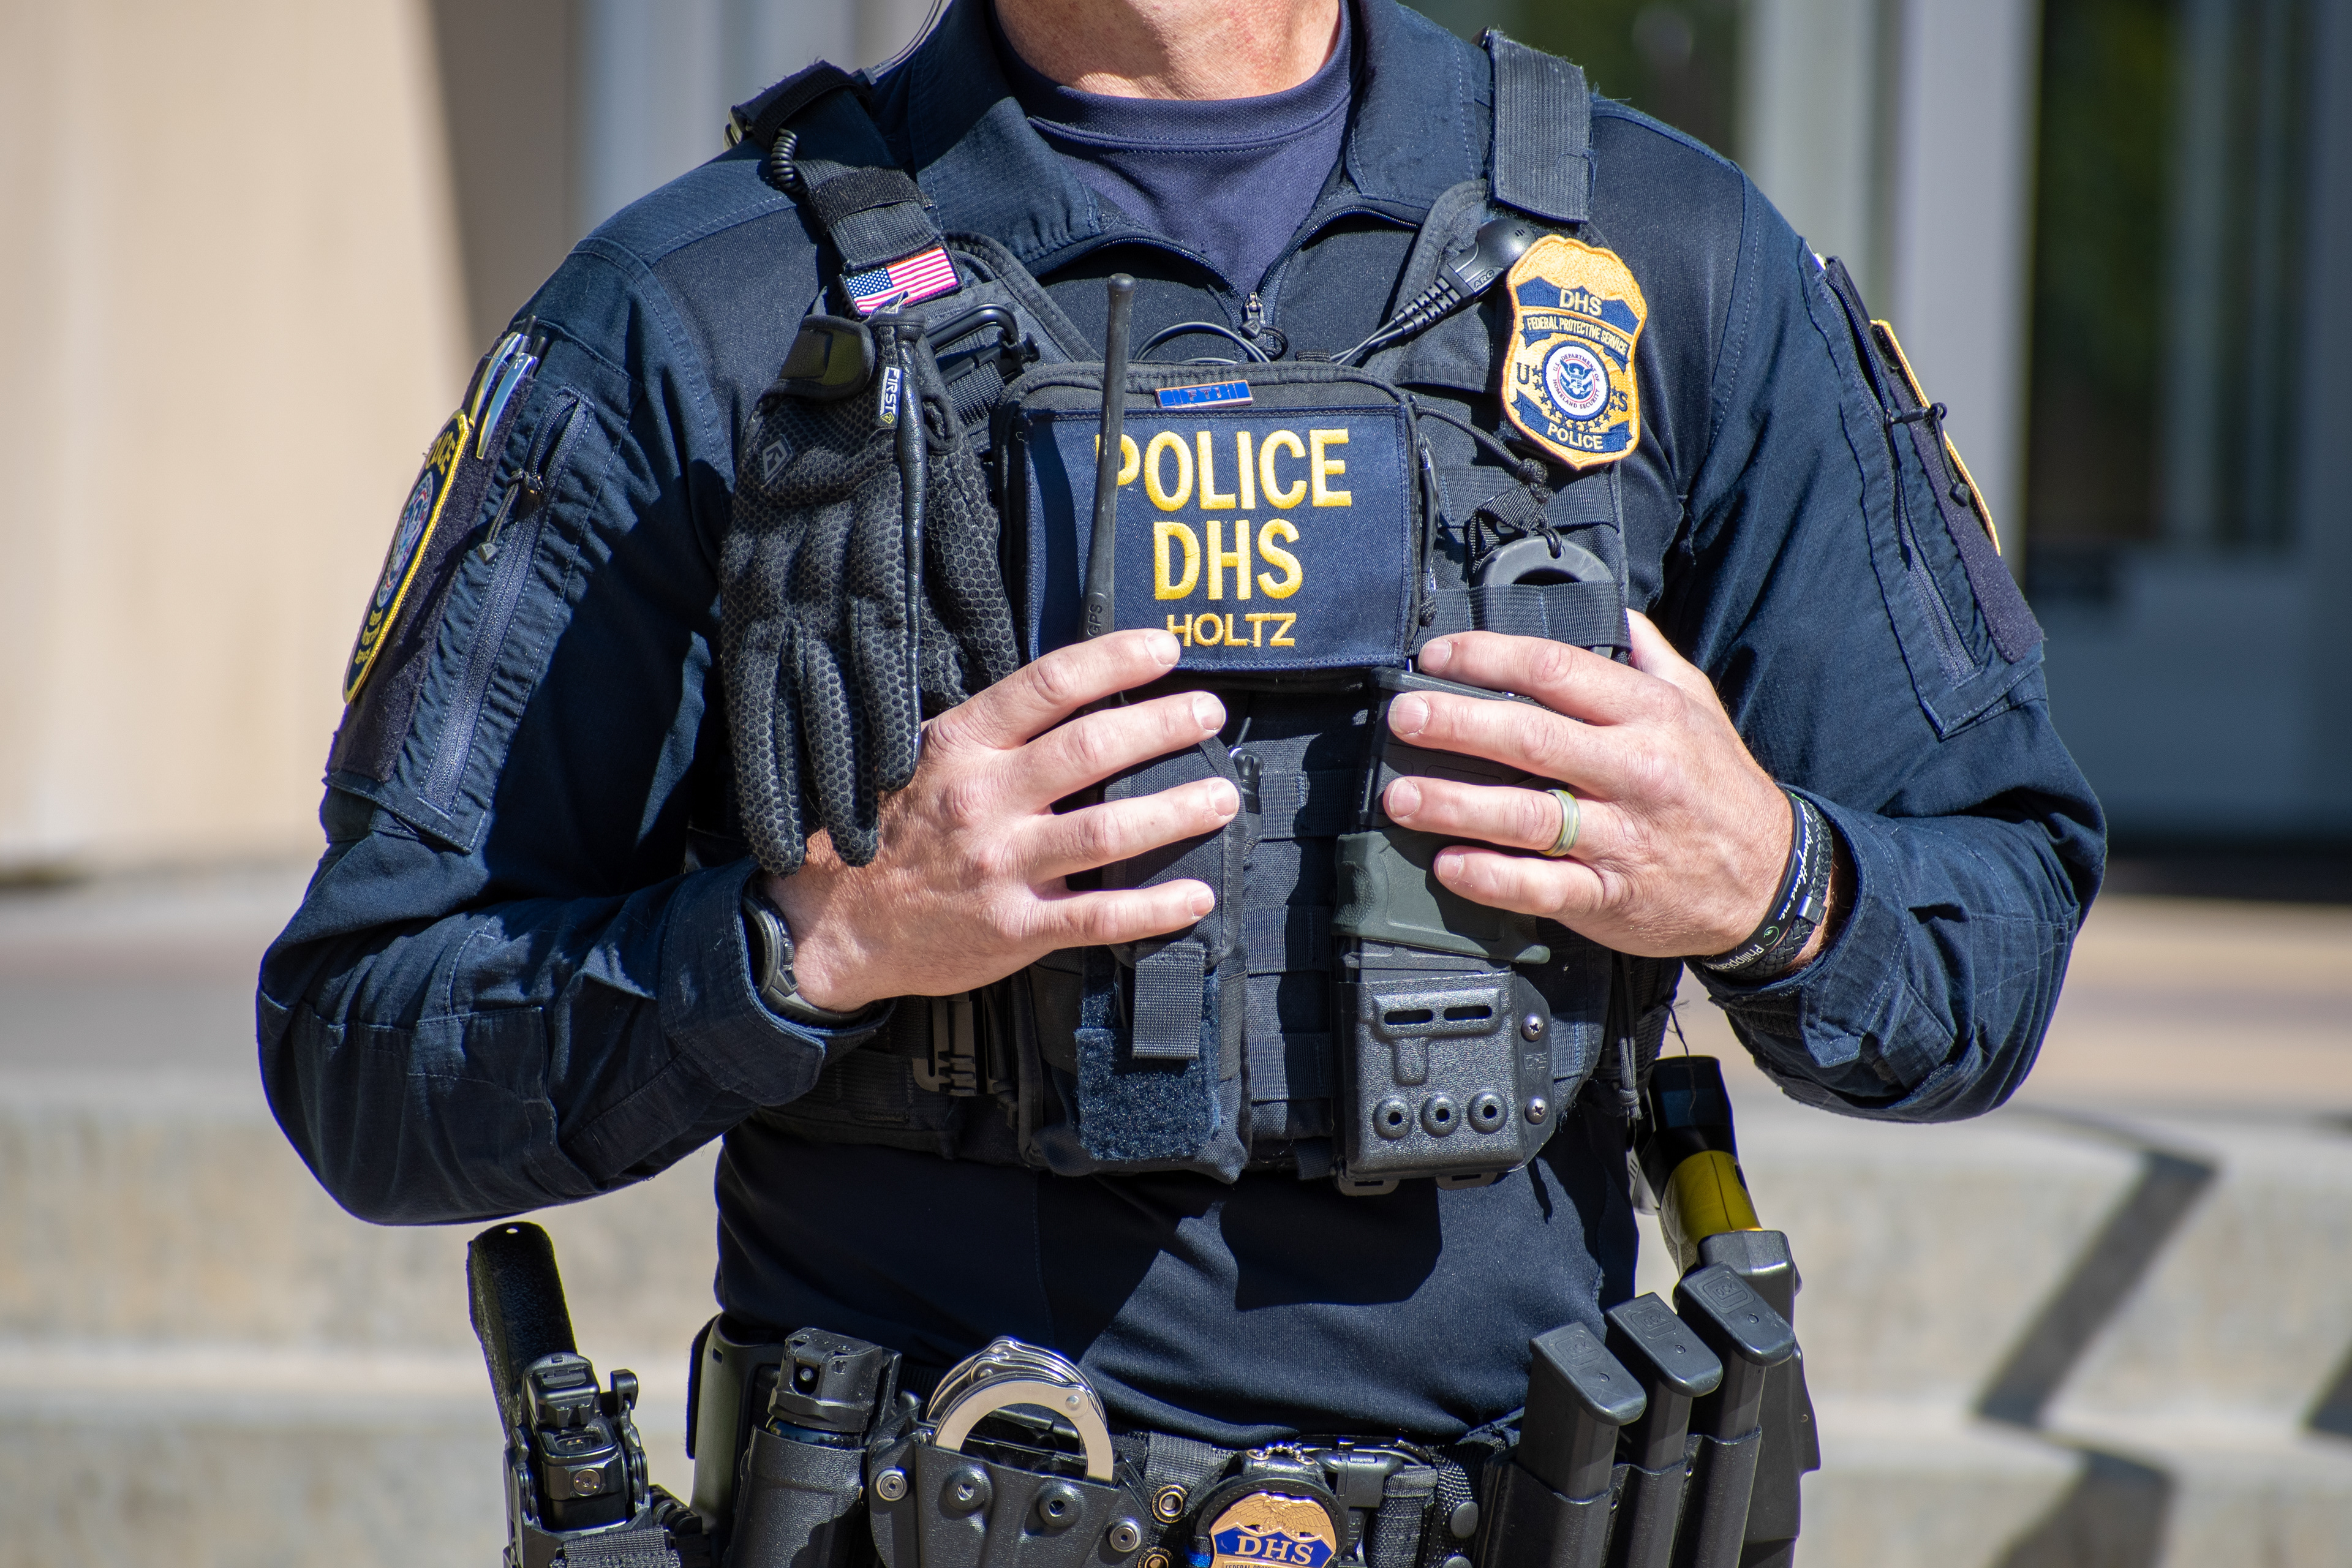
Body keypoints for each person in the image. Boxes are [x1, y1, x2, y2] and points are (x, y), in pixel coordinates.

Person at [262, 0, 2098, 1481]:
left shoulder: (1675, 265)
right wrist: (808, 947)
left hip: (1523, 1498)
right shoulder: (705, 313)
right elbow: (369, 1045)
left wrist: (1771, 882)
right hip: (939, 1503)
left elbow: (1990, 939)